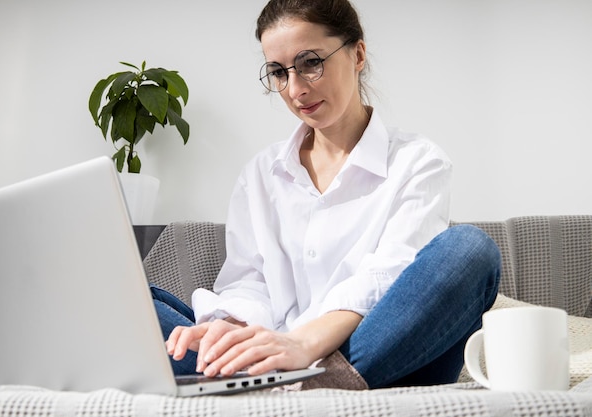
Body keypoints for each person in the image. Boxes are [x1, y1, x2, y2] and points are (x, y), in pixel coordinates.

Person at [151, 0, 501, 389]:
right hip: (272, 359)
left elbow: (391, 278)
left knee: (470, 250)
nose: (296, 89)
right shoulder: (260, 175)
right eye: (279, 72)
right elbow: (248, 283)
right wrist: (229, 330)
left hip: (377, 353)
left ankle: (307, 384)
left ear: (358, 54)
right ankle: (263, 378)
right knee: (140, 300)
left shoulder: (418, 162)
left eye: (310, 63)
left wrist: (302, 343)